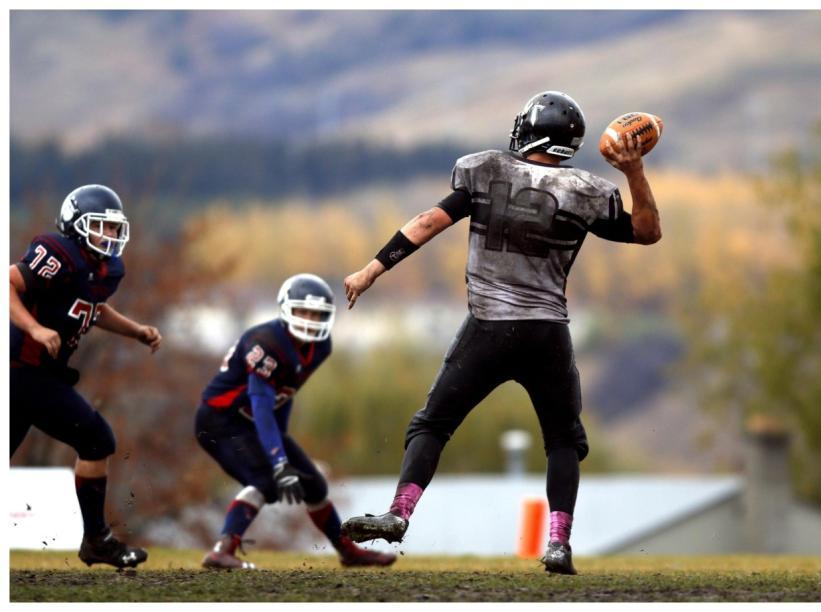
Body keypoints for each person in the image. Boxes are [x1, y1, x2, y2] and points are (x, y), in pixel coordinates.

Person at [340, 91, 662, 574]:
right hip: (547, 333)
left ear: (534, 131)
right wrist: (634, 171)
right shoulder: (584, 189)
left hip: (489, 327)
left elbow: (428, 222)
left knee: (432, 424)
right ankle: (558, 544)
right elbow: (647, 231)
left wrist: (371, 269)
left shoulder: (486, 170)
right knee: (562, 440)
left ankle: (399, 513)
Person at [195, 273, 396, 569]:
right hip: (220, 422)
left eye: (316, 313)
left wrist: (283, 446)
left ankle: (347, 552)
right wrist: (279, 460)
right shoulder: (265, 342)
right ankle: (222, 550)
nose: (310, 319)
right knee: (266, 481)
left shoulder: (320, 347)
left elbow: (284, 394)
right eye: (303, 311)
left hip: (254, 422)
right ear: (286, 308)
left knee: (314, 486)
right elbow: (262, 404)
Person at [10, 184, 162, 569]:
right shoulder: (60, 253)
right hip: (19, 369)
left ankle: (96, 540)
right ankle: (97, 540)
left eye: (114, 229)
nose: (109, 236)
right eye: (101, 227)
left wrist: (137, 330)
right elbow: (6, 284)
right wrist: (35, 329)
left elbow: (95, 308)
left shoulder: (107, 269)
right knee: (96, 438)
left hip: (36, 375)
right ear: (75, 225)